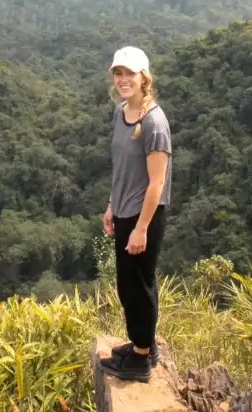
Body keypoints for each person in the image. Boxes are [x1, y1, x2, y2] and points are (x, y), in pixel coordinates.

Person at [100, 45, 172, 383]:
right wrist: (112, 205)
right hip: (125, 209)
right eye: (119, 73)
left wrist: (141, 228)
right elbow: (121, 167)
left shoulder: (153, 122)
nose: (123, 79)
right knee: (134, 283)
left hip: (145, 216)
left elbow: (157, 183)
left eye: (130, 73)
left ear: (145, 77)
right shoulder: (120, 112)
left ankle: (141, 359)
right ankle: (145, 345)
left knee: (135, 287)